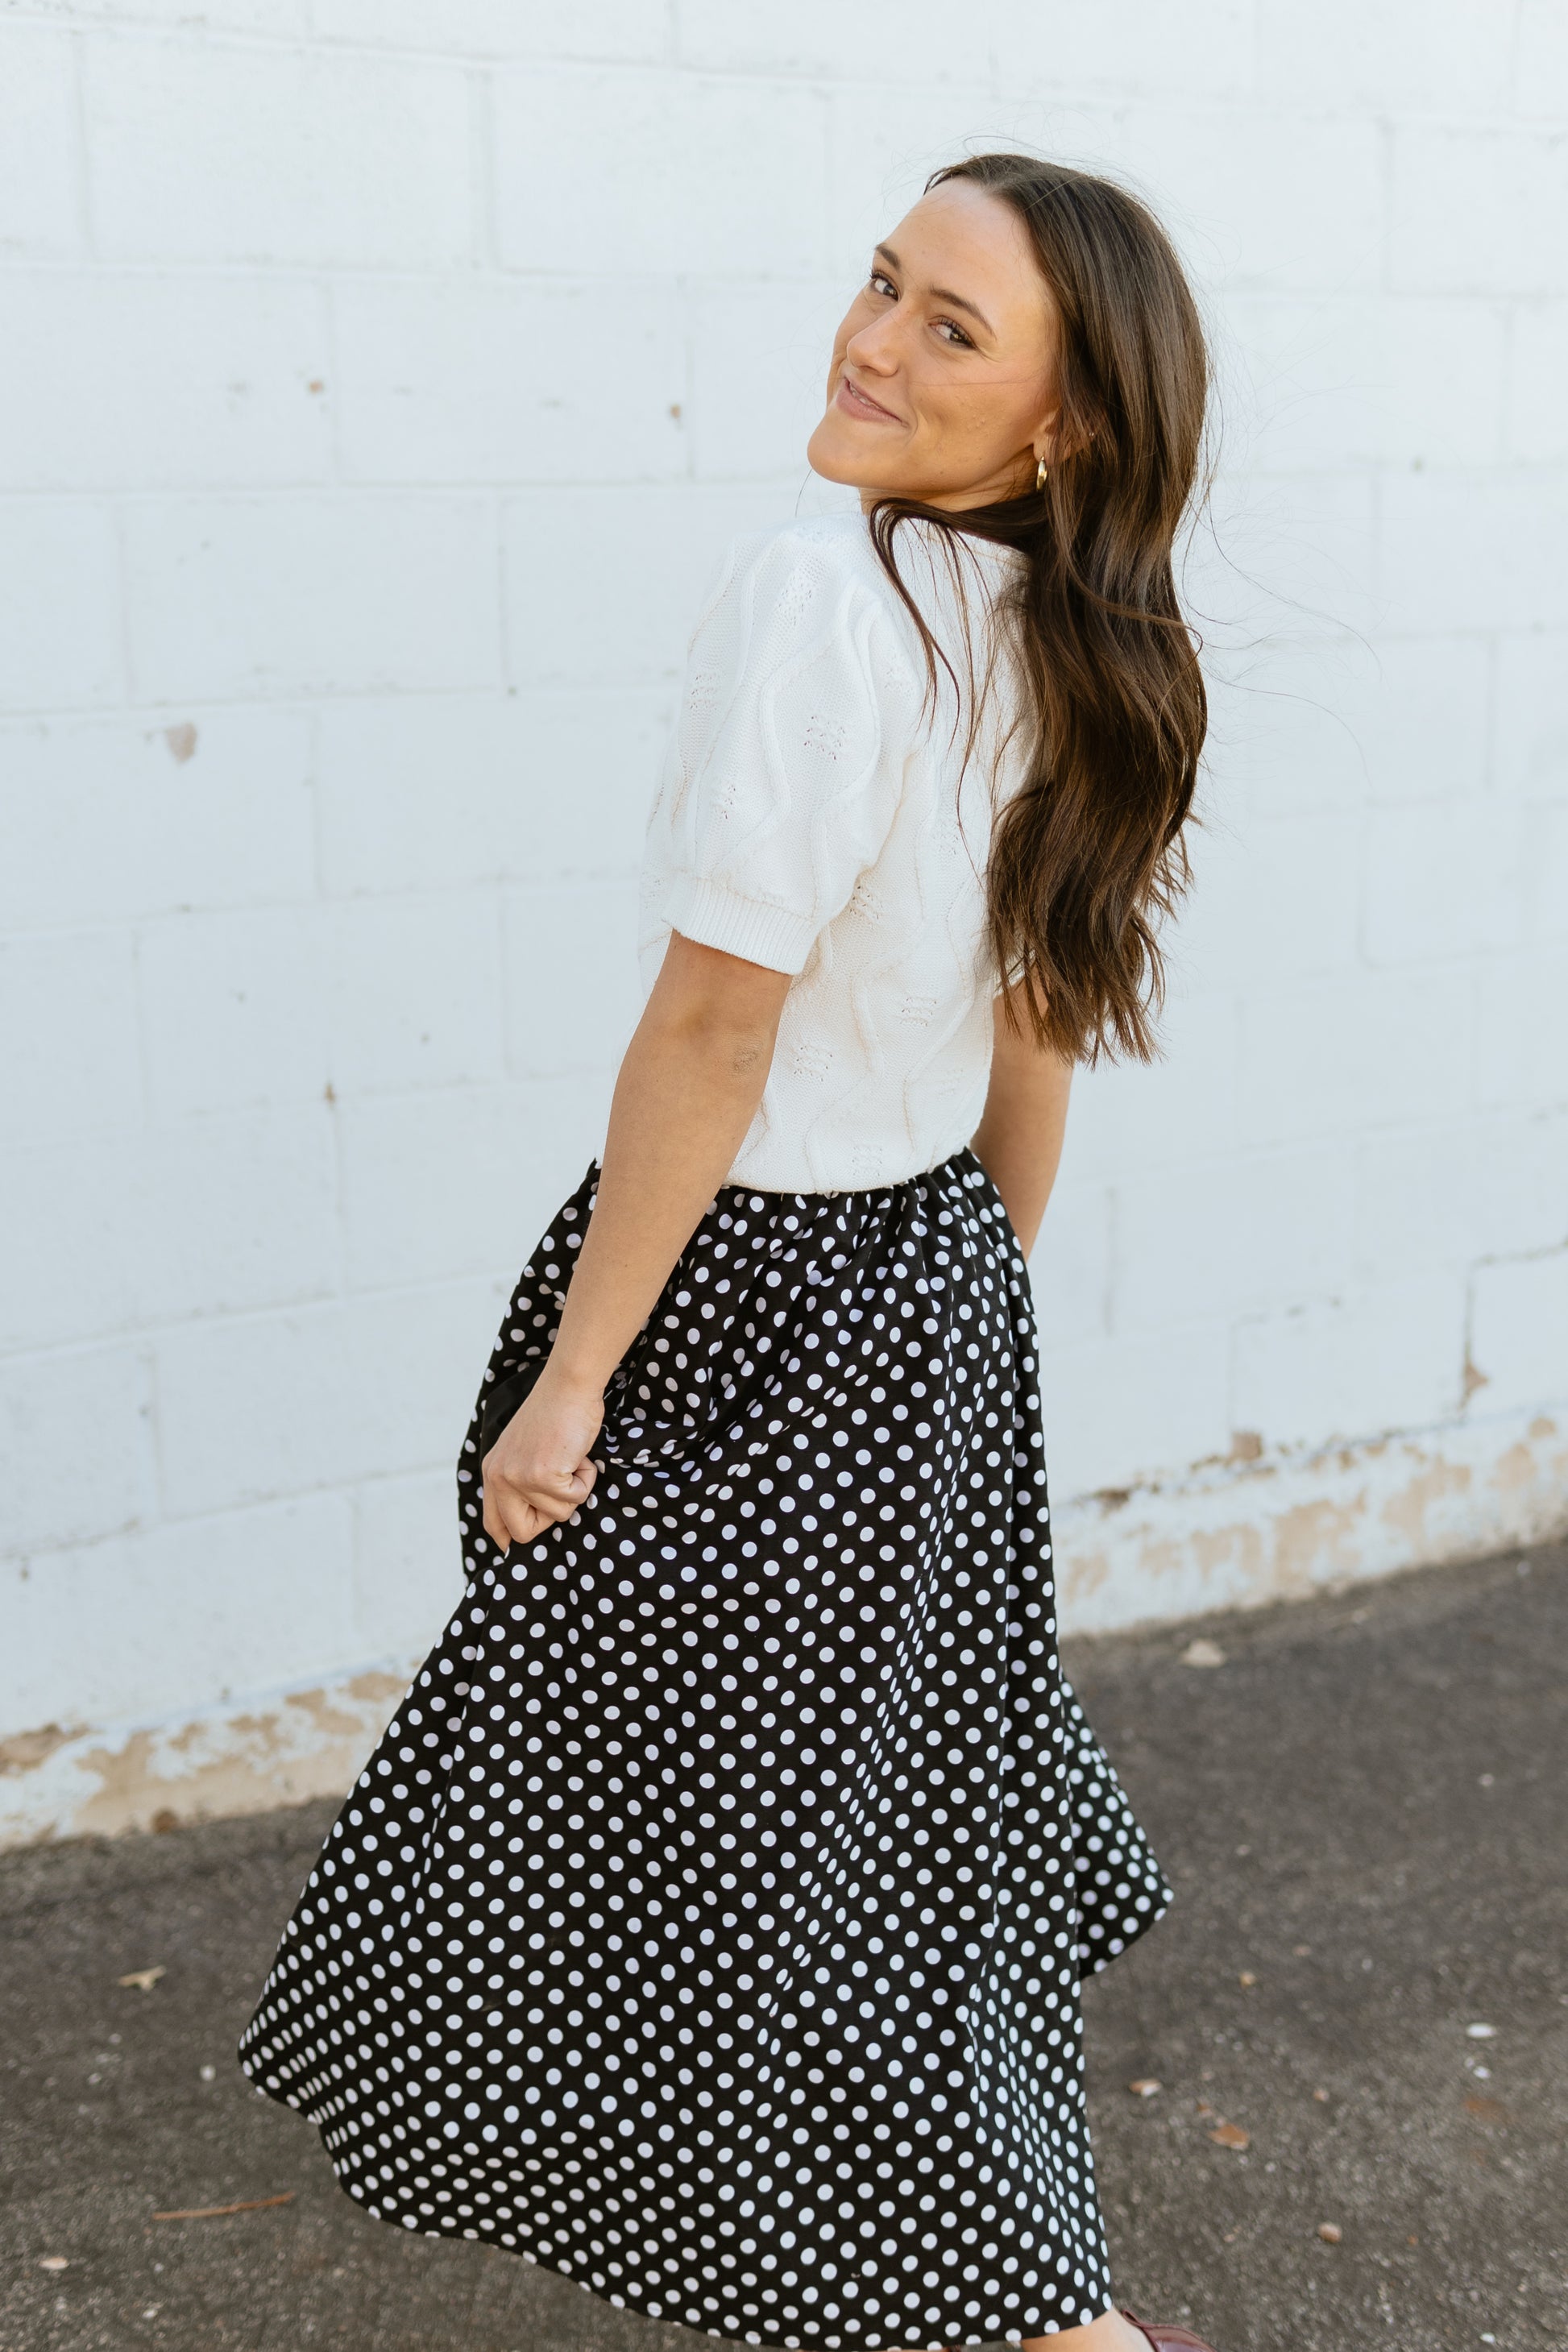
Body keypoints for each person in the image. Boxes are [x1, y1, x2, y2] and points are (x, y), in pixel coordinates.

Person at [239, 153, 1215, 2352]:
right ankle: (933, 2275)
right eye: (882, 284)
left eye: (950, 328)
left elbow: (714, 1018)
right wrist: (970, 1295)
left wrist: (580, 1376)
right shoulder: (1073, 642)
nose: (871, 340)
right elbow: (1033, 1039)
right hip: (928, 1283)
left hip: (738, 1296)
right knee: (871, 1832)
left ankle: (1031, 2317)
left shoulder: (826, 598)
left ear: (1061, 424)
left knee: (675, 1838)